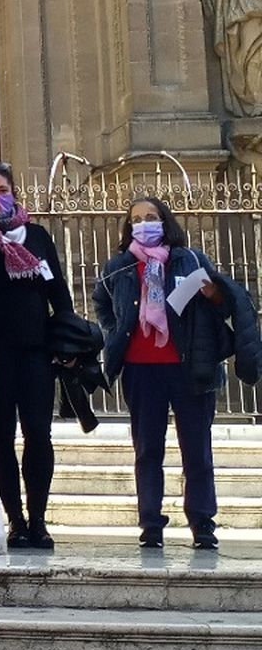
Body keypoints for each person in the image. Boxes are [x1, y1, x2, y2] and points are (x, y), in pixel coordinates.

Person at [93, 196, 261, 550]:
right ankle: (151, 524)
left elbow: (219, 305)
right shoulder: (119, 267)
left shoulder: (191, 258)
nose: (144, 223)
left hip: (190, 368)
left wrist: (214, 296)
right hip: (141, 371)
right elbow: (102, 303)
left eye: (151, 217)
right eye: (136, 219)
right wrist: (116, 333)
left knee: (197, 450)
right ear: (128, 228)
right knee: (147, 451)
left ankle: (202, 523)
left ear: (164, 221)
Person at [0, 162, 72, 550]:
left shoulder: (38, 237)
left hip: (36, 354)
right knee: (0, 439)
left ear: (14, 193)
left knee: (38, 436)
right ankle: (14, 519)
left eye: (2, 189)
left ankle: (39, 520)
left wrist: (66, 341)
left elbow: (58, 293)